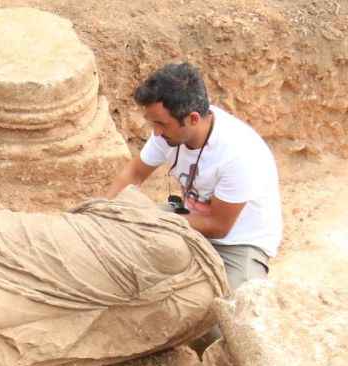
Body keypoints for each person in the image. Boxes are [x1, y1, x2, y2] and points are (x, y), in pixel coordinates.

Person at [105, 62, 282, 293]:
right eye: (153, 123)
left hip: (238, 242)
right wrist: (102, 211)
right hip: (189, 218)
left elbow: (219, 226)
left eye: (161, 124)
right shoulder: (168, 134)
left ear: (193, 119)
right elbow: (134, 174)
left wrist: (153, 220)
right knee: (117, 245)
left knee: (226, 315)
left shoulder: (239, 153)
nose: (156, 132)